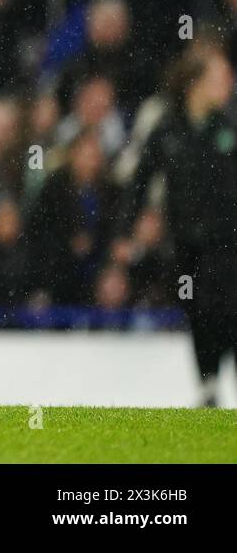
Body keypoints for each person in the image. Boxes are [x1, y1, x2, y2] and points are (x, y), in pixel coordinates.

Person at [122, 42, 237, 407]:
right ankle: (208, 386)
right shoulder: (168, 128)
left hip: (229, 241)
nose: (228, 83)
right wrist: (128, 230)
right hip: (187, 243)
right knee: (199, 312)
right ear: (196, 82)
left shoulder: (230, 125)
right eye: (219, 77)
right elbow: (140, 180)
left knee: (228, 312)